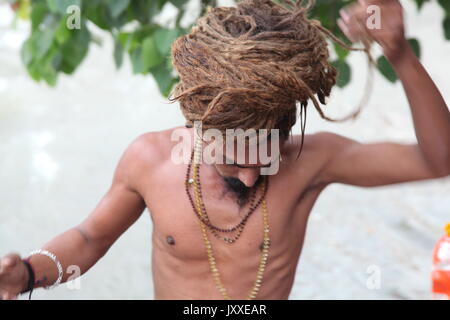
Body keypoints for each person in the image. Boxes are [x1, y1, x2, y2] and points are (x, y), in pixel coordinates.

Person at [1, 0, 449, 300]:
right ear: (199, 128)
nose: (252, 178)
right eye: (234, 161)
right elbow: (90, 238)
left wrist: (400, 55)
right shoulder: (150, 161)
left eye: (266, 157)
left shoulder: (312, 162)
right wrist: (26, 274)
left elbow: (437, 161)